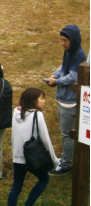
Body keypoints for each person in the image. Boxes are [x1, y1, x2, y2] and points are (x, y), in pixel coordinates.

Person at [46, 24, 86, 175]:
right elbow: (64, 68)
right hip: (64, 98)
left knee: (67, 134)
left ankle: (66, 164)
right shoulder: (70, 52)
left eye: (65, 40)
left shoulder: (79, 55)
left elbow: (73, 76)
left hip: (69, 102)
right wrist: (55, 75)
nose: (62, 43)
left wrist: (57, 81)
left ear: (73, 40)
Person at [8, 88, 58, 206]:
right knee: (44, 179)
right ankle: (29, 204)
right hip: (32, 157)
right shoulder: (37, 115)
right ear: (34, 101)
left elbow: (14, 134)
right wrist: (54, 161)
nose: (44, 101)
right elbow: (46, 140)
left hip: (18, 156)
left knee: (16, 186)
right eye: (41, 98)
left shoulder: (16, 111)